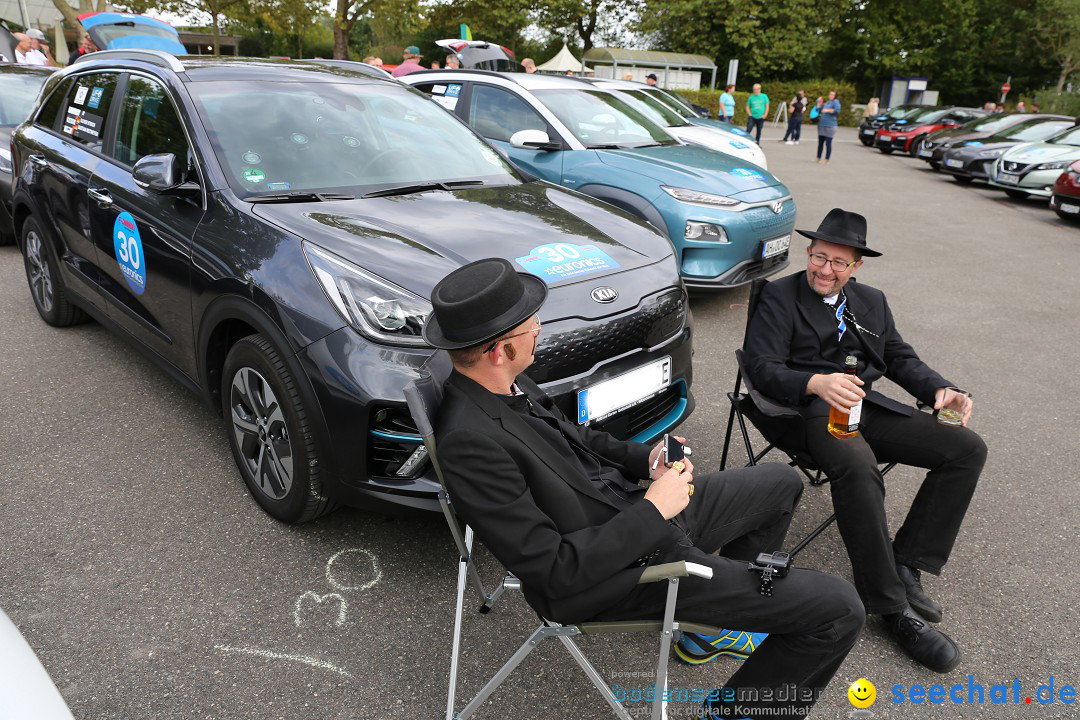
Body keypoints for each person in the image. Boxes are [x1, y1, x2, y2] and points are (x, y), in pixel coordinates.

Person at [426, 258, 865, 720]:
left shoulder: (508, 382)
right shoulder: (469, 443)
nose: (539, 327)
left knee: (781, 482)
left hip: (635, 513)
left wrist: (647, 459)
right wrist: (654, 511)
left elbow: (579, 441)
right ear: (499, 349)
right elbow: (555, 573)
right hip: (621, 572)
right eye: (529, 324)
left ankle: (706, 630)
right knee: (838, 609)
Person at [744, 209, 987, 674]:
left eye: (838, 262)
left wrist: (939, 389)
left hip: (865, 406)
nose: (824, 269)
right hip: (806, 410)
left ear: (856, 266)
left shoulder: (871, 300)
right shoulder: (779, 295)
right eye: (818, 257)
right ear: (808, 253)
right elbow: (761, 366)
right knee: (858, 468)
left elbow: (897, 356)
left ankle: (906, 562)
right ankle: (891, 609)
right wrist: (815, 383)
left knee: (966, 448)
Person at [816, 90, 840, 164]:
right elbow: (819, 110)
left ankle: (827, 159)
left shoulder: (836, 102)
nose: (831, 96)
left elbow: (837, 111)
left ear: (835, 96)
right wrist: (819, 103)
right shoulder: (827, 102)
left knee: (828, 143)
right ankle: (818, 158)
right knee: (820, 143)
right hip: (822, 125)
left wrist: (828, 110)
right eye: (830, 94)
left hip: (830, 126)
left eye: (832, 95)